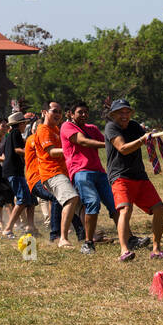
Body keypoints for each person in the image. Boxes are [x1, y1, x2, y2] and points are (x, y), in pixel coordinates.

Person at [105, 99, 163, 261]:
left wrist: (152, 136)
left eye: (127, 112)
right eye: (120, 113)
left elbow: (147, 139)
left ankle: (156, 249)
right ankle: (124, 250)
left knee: (159, 208)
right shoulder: (111, 127)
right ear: (113, 114)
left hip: (139, 176)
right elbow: (123, 148)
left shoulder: (134, 126)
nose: (124, 116)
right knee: (125, 210)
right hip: (120, 176)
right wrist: (143, 139)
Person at [61, 102, 116, 256]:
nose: (84, 115)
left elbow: (109, 138)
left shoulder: (92, 128)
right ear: (71, 114)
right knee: (92, 203)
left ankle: (129, 238)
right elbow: (83, 141)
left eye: (86, 112)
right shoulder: (67, 127)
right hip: (81, 171)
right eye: (80, 112)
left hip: (99, 171)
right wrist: (109, 145)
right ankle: (88, 243)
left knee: (115, 205)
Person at [29, 101, 85, 247]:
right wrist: (71, 149)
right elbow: (52, 152)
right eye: (54, 111)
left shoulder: (56, 129)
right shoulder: (43, 130)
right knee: (70, 198)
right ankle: (61, 238)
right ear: (44, 112)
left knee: (77, 202)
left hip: (63, 172)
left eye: (60, 111)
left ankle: (86, 236)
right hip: (52, 173)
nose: (58, 114)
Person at [0, 111, 35, 238]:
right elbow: (18, 150)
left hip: (15, 171)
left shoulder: (11, 134)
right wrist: (32, 152)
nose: (25, 126)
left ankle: (31, 228)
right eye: (24, 123)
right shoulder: (15, 133)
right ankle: (8, 229)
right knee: (23, 200)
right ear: (21, 124)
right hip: (14, 172)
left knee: (30, 200)